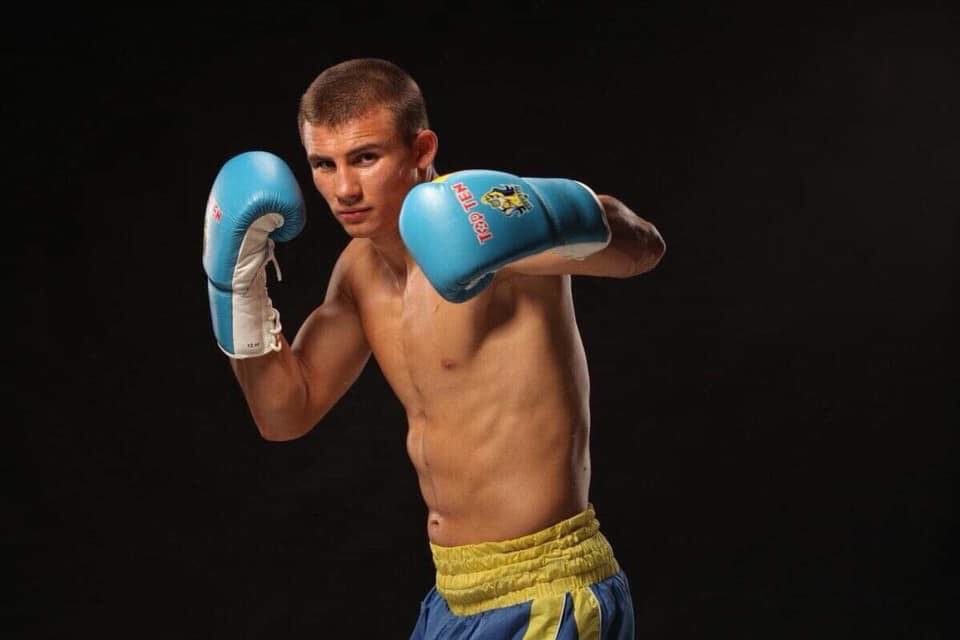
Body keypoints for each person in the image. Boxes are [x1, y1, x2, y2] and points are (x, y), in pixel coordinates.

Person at [202, 57, 665, 639]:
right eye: (324, 164)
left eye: (365, 158)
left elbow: (644, 248)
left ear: (421, 149)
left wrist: (545, 210)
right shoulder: (358, 272)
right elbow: (283, 413)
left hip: (547, 592)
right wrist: (238, 288)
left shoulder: (489, 225)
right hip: (454, 593)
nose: (344, 189)